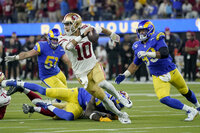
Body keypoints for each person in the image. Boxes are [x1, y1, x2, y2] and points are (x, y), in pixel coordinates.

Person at [115, 20, 200, 121]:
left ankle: (198, 106)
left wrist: (148, 54)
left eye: (144, 31)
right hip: (158, 76)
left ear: (150, 30)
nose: (141, 33)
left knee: (185, 91)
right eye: (140, 31)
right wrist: (124, 75)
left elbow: (164, 53)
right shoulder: (137, 46)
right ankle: (190, 110)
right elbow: (135, 64)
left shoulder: (157, 38)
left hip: (171, 70)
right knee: (164, 99)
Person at [58, 13, 132, 124]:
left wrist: (113, 35)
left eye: (68, 24)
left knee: (102, 83)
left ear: (76, 24)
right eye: (65, 24)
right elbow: (69, 46)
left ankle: (119, 97)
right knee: (104, 99)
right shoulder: (62, 37)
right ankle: (121, 115)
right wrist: (82, 36)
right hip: (81, 75)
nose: (66, 27)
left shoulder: (86, 28)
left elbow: (101, 29)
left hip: (93, 66)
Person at [2, 79, 129, 122]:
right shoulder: (103, 98)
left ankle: (46, 105)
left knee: (67, 117)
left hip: (78, 106)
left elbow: (90, 112)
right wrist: (99, 118)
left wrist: (112, 116)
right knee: (45, 91)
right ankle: (15, 82)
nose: (119, 108)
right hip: (75, 94)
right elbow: (90, 111)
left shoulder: (115, 108)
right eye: (120, 106)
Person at [5, 28, 71, 89]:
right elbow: (27, 54)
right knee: (63, 90)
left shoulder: (60, 47)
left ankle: (57, 101)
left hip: (57, 72)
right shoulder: (42, 46)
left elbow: (66, 60)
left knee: (65, 87)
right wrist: (15, 57)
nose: (55, 42)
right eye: (54, 39)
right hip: (47, 76)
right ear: (49, 39)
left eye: (57, 40)